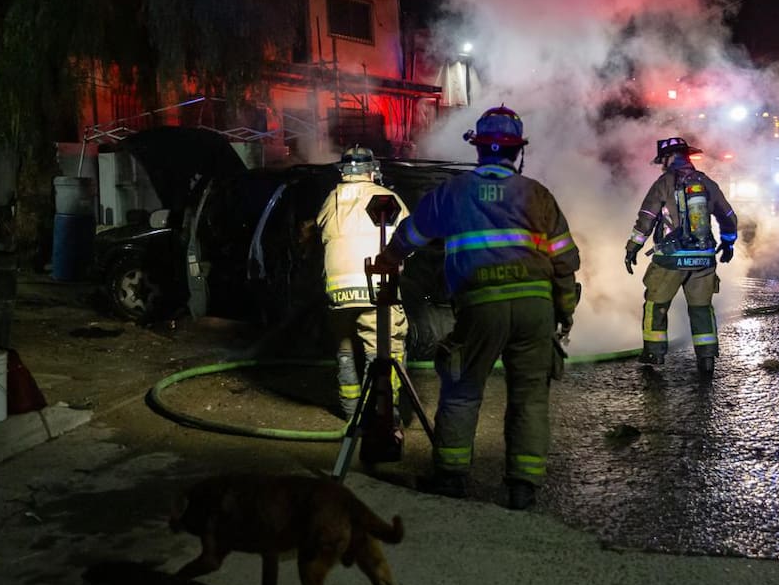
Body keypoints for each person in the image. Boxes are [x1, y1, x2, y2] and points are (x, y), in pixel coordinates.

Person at [372, 106, 580, 510]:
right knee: (530, 397)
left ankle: (451, 478)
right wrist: (565, 310)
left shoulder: (453, 192)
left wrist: (388, 259)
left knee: (463, 389)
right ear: (517, 151)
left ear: (478, 149)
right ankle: (522, 488)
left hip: (480, 305)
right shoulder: (538, 195)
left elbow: (412, 234)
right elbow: (565, 261)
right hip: (535, 307)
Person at [623, 137, 738, 377]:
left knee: (656, 304)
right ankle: (707, 358)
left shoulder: (663, 184)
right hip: (703, 258)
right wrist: (728, 243)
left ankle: (654, 354)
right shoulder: (707, 183)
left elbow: (646, 217)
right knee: (701, 308)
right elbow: (728, 216)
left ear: (668, 159)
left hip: (671, 258)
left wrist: (633, 247)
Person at [316, 145, 409, 421]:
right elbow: (406, 239)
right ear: (372, 172)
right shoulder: (384, 197)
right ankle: (380, 413)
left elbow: (321, 232)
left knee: (344, 349)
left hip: (337, 290)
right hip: (375, 286)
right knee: (386, 348)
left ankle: (351, 411)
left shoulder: (331, 199)